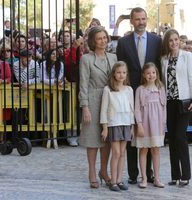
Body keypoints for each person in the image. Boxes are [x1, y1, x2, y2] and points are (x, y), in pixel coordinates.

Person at [116, 7, 162, 184]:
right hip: (130, 92)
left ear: (146, 19)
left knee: (148, 132)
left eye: (143, 19)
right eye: (137, 19)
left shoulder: (156, 41)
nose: (141, 22)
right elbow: (121, 67)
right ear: (132, 21)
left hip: (150, 93)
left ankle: (149, 173)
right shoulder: (124, 42)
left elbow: (158, 67)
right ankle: (133, 173)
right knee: (132, 133)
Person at [79, 26, 117, 188]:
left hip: (110, 100)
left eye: (104, 37)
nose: (103, 41)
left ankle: (104, 170)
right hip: (94, 100)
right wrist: (85, 106)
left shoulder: (113, 57)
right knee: (93, 137)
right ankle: (92, 172)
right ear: (93, 41)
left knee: (107, 138)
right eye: (99, 38)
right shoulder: (86, 59)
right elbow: (83, 84)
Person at [161, 29, 192, 187]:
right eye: (170, 40)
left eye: (176, 39)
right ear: (167, 42)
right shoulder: (164, 59)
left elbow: (191, 77)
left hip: (184, 102)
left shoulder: (187, 57)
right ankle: (175, 175)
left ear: (180, 40)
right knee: (172, 138)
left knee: (180, 137)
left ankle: (186, 174)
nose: (174, 43)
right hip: (169, 102)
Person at [100, 61, 134, 191]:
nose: (121, 75)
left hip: (125, 123)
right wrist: (104, 127)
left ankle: (119, 179)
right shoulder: (108, 89)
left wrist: (132, 126)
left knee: (122, 153)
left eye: (124, 72)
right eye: (118, 72)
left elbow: (132, 109)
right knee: (116, 152)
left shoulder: (129, 89)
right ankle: (113, 181)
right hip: (114, 124)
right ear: (114, 73)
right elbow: (103, 110)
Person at [134, 62, 166, 188]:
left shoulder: (161, 89)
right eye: (148, 73)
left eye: (153, 73)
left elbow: (164, 109)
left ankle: (157, 178)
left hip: (157, 125)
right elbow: (137, 109)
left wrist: (163, 125)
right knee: (143, 150)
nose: (151, 75)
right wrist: (139, 125)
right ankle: (144, 178)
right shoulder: (140, 90)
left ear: (157, 74)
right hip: (144, 125)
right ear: (143, 75)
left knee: (156, 150)